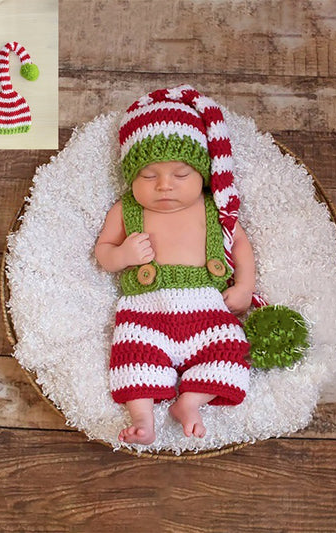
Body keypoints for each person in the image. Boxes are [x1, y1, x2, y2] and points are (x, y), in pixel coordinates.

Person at [95, 85, 255, 445]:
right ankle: (142, 418)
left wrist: (244, 287)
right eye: (149, 176)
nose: (164, 186)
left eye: (180, 175)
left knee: (230, 352)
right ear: (131, 176)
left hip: (206, 308)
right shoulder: (127, 210)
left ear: (202, 175)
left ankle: (190, 402)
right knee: (134, 358)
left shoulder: (212, 208)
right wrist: (122, 256)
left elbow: (240, 244)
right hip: (145, 310)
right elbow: (103, 251)